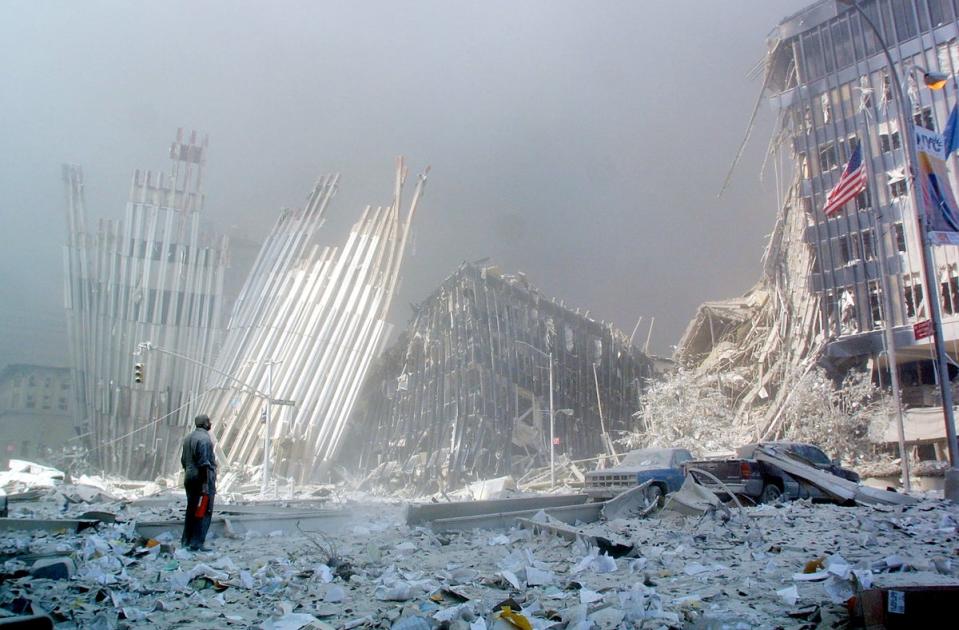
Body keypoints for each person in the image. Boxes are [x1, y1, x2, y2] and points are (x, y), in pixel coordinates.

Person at [180, 414, 217, 551]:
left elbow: (183, 460)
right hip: (202, 480)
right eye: (209, 421)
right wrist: (206, 485)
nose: (210, 423)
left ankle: (186, 541)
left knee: (191, 510)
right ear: (205, 424)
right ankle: (197, 543)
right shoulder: (205, 440)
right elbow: (204, 464)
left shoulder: (188, 438)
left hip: (189, 478)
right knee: (203, 510)